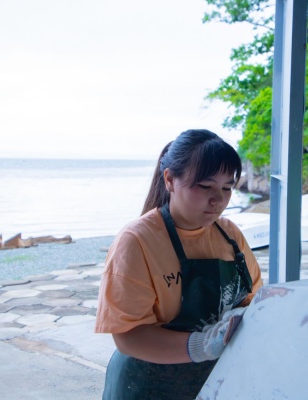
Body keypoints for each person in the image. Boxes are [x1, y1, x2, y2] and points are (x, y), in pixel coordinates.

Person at [95, 129, 263, 399]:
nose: (218, 200)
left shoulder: (230, 235)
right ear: (170, 180)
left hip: (213, 380)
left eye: (227, 188)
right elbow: (128, 336)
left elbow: (252, 299)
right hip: (146, 385)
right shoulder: (137, 241)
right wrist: (202, 345)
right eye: (205, 186)